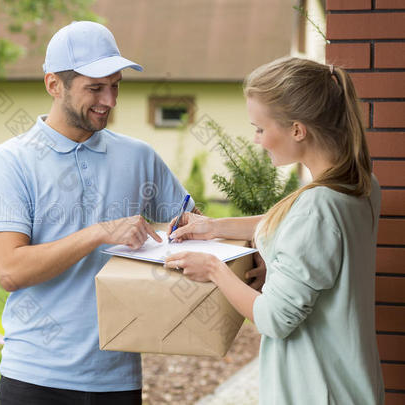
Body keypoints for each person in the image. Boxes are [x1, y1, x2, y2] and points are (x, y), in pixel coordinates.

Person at [0, 21, 199, 405]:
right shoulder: (13, 160)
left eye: (115, 85)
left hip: (117, 379)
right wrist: (99, 232)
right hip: (34, 379)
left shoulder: (138, 156)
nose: (110, 100)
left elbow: (193, 225)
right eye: (95, 87)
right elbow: (10, 271)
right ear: (54, 85)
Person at [164, 57, 384, 404]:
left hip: (314, 391)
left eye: (260, 128)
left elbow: (273, 319)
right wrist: (213, 227)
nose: (256, 139)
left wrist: (214, 270)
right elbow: (292, 222)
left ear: (297, 130)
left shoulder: (317, 208)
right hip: (349, 384)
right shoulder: (359, 185)